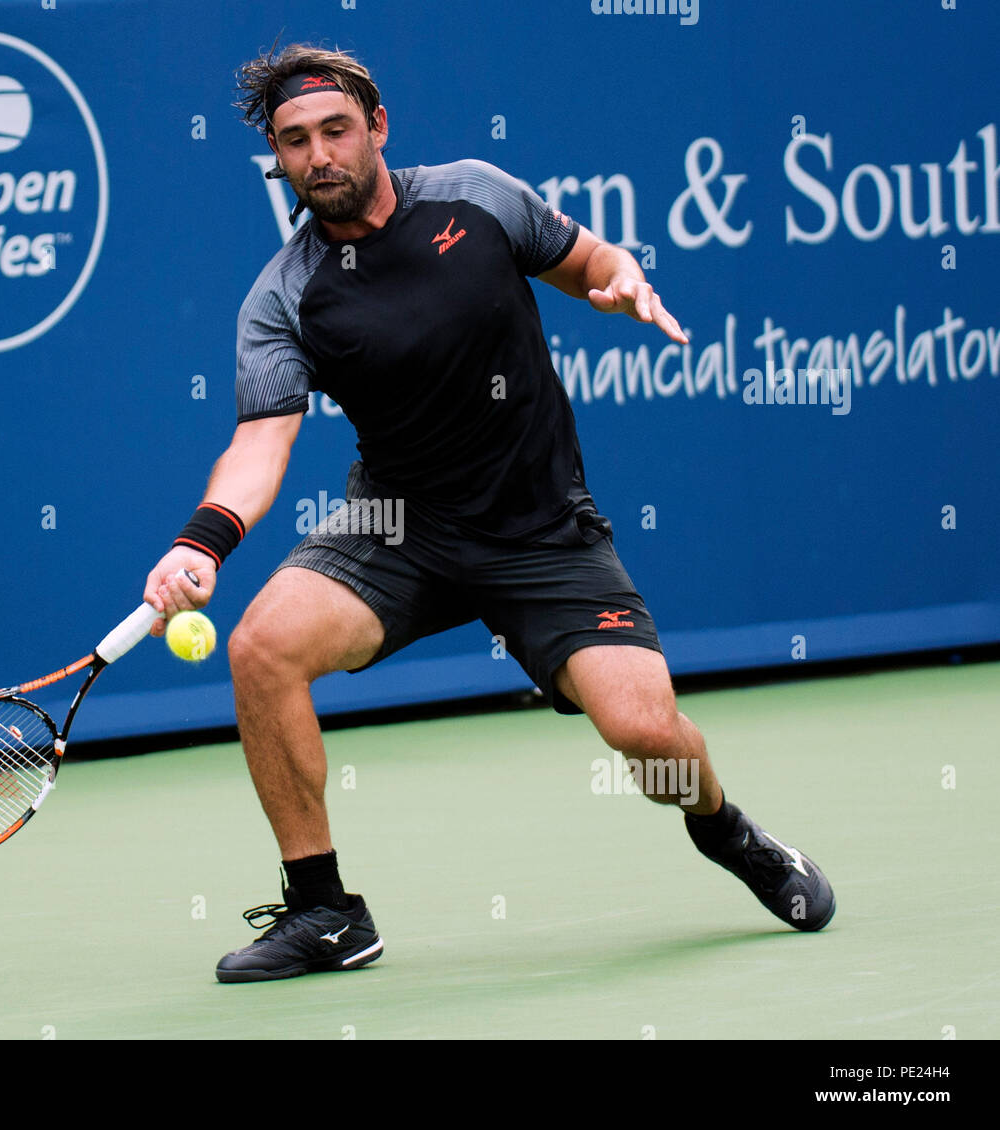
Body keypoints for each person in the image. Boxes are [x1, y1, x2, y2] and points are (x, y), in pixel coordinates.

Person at [143, 44, 835, 983]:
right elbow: (261, 444)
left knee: (648, 738)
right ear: (278, 158)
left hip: (541, 526)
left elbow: (589, 259)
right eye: (295, 141)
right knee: (262, 649)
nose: (319, 155)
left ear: (377, 127)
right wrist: (202, 542)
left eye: (336, 130)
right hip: (398, 528)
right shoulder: (284, 296)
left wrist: (622, 280)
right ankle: (326, 912)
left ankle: (727, 833)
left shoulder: (476, 196)